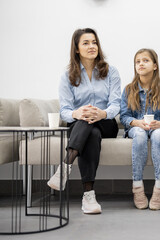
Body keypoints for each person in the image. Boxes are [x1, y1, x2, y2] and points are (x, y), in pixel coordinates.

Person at [47, 28, 121, 214]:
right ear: (77, 48)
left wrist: (101, 113)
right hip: (81, 125)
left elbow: (116, 104)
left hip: (106, 123)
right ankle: (89, 196)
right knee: (91, 132)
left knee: (94, 124)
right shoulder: (67, 76)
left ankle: (65, 166)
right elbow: (64, 111)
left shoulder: (111, 71)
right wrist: (77, 113)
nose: (91, 46)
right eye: (86, 43)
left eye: (94, 42)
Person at [120, 48, 160, 210]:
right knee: (139, 134)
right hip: (137, 128)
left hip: (157, 127)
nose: (141, 64)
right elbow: (124, 117)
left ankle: (159, 187)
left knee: (158, 136)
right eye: (138, 62)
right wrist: (136, 123)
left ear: (155, 65)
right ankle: (137, 187)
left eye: (145, 60)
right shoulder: (129, 89)